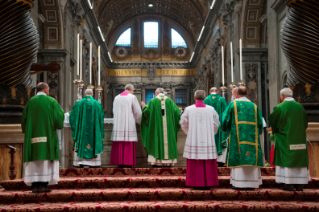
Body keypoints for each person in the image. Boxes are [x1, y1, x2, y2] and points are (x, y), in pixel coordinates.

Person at [21, 82, 64, 193]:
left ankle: (35, 186)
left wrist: (28, 131)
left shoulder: (30, 102)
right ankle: (44, 185)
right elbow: (59, 118)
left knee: (34, 161)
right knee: (45, 161)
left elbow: (24, 120)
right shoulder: (52, 101)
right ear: (46, 90)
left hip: (33, 137)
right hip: (48, 136)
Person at [222, 86, 264, 190]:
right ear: (247, 93)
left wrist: (225, 129)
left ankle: (239, 184)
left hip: (237, 138)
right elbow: (260, 123)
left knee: (239, 156)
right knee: (251, 155)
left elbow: (225, 120)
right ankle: (252, 183)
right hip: (252, 138)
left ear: (236, 94)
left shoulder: (233, 104)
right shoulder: (254, 106)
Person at [269, 88, 310, 191]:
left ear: (282, 96)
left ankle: (289, 184)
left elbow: (273, 122)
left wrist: (276, 132)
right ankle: (300, 184)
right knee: (299, 160)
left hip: (285, 139)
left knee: (287, 160)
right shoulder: (300, 107)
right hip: (299, 138)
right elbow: (305, 123)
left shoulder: (280, 107)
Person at [181, 90, 220, 190]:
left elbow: (183, 123)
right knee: (207, 159)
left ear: (194, 98)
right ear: (204, 98)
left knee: (194, 159)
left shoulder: (189, 109)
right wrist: (212, 133)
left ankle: (195, 182)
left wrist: (189, 133)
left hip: (194, 138)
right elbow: (216, 123)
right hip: (208, 138)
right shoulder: (211, 109)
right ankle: (208, 182)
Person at [140, 88, 181, 167]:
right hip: (168, 129)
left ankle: (156, 161)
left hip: (156, 128)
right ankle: (168, 162)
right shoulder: (169, 101)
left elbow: (146, 112)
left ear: (156, 93)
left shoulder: (152, 101)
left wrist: (144, 106)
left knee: (156, 140)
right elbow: (177, 112)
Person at [69, 89, 104, 168]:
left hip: (82, 132)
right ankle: (94, 163)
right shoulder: (97, 104)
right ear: (93, 94)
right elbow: (100, 118)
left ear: (85, 94)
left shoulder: (79, 103)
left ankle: (80, 162)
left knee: (81, 141)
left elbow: (73, 117)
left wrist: (75, 128)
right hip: (93, 132)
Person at [110, 84, 142, 168]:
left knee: (119, 142)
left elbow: (114, 110)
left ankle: (119, 162)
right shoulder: (132, 97)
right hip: (129, 123)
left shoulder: (116, 98)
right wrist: (139, 121)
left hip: (118, 124)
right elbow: (137, 112)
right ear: (131, 90)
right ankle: (127, 162)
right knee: (128, 142)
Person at [203, 87, 228, 167]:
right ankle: (220, 160)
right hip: (220, 126)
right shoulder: (222, 99)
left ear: (209, 92)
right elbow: (226, 114)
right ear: (217, 92)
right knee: (220, 139)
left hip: (208, 125)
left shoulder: (206, 100)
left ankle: (210, 159)